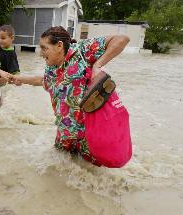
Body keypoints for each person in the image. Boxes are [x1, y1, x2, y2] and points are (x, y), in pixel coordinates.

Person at [12, 26, 129, 165]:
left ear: (59, 46)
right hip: (65, 132)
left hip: (88, 133)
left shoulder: (83, 51)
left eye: (44, 48)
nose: (40, 53)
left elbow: (122, 39)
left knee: (91, 173)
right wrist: (19, 79)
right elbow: (43, 81)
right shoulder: (51, 66)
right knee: (58, 172)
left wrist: (98, 65)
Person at [0, 25, 20, 106]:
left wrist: (16, 81)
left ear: (12, 38)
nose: (0, 41)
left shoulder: (11, 54)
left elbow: (15, 71)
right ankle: (0, 102)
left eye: (3, 38)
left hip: (0, 78)